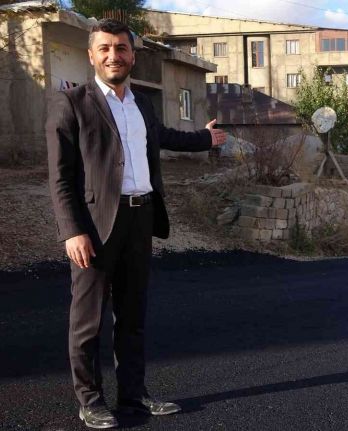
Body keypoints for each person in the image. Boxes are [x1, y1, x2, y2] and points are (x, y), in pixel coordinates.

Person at [45, 19, 227, 429]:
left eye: (121, 48)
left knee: (132, 316)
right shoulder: (72, 103)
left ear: (132, 55)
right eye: (105, 48)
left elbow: (162, 136)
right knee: (88, 321)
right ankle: (90, 400)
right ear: (91, 55)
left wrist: (204, 138)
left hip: (140, 217)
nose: (114, 55)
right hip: (95, 226)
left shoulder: (141, 103)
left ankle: (133, 395)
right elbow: (60, 176)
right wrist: (71, 230)